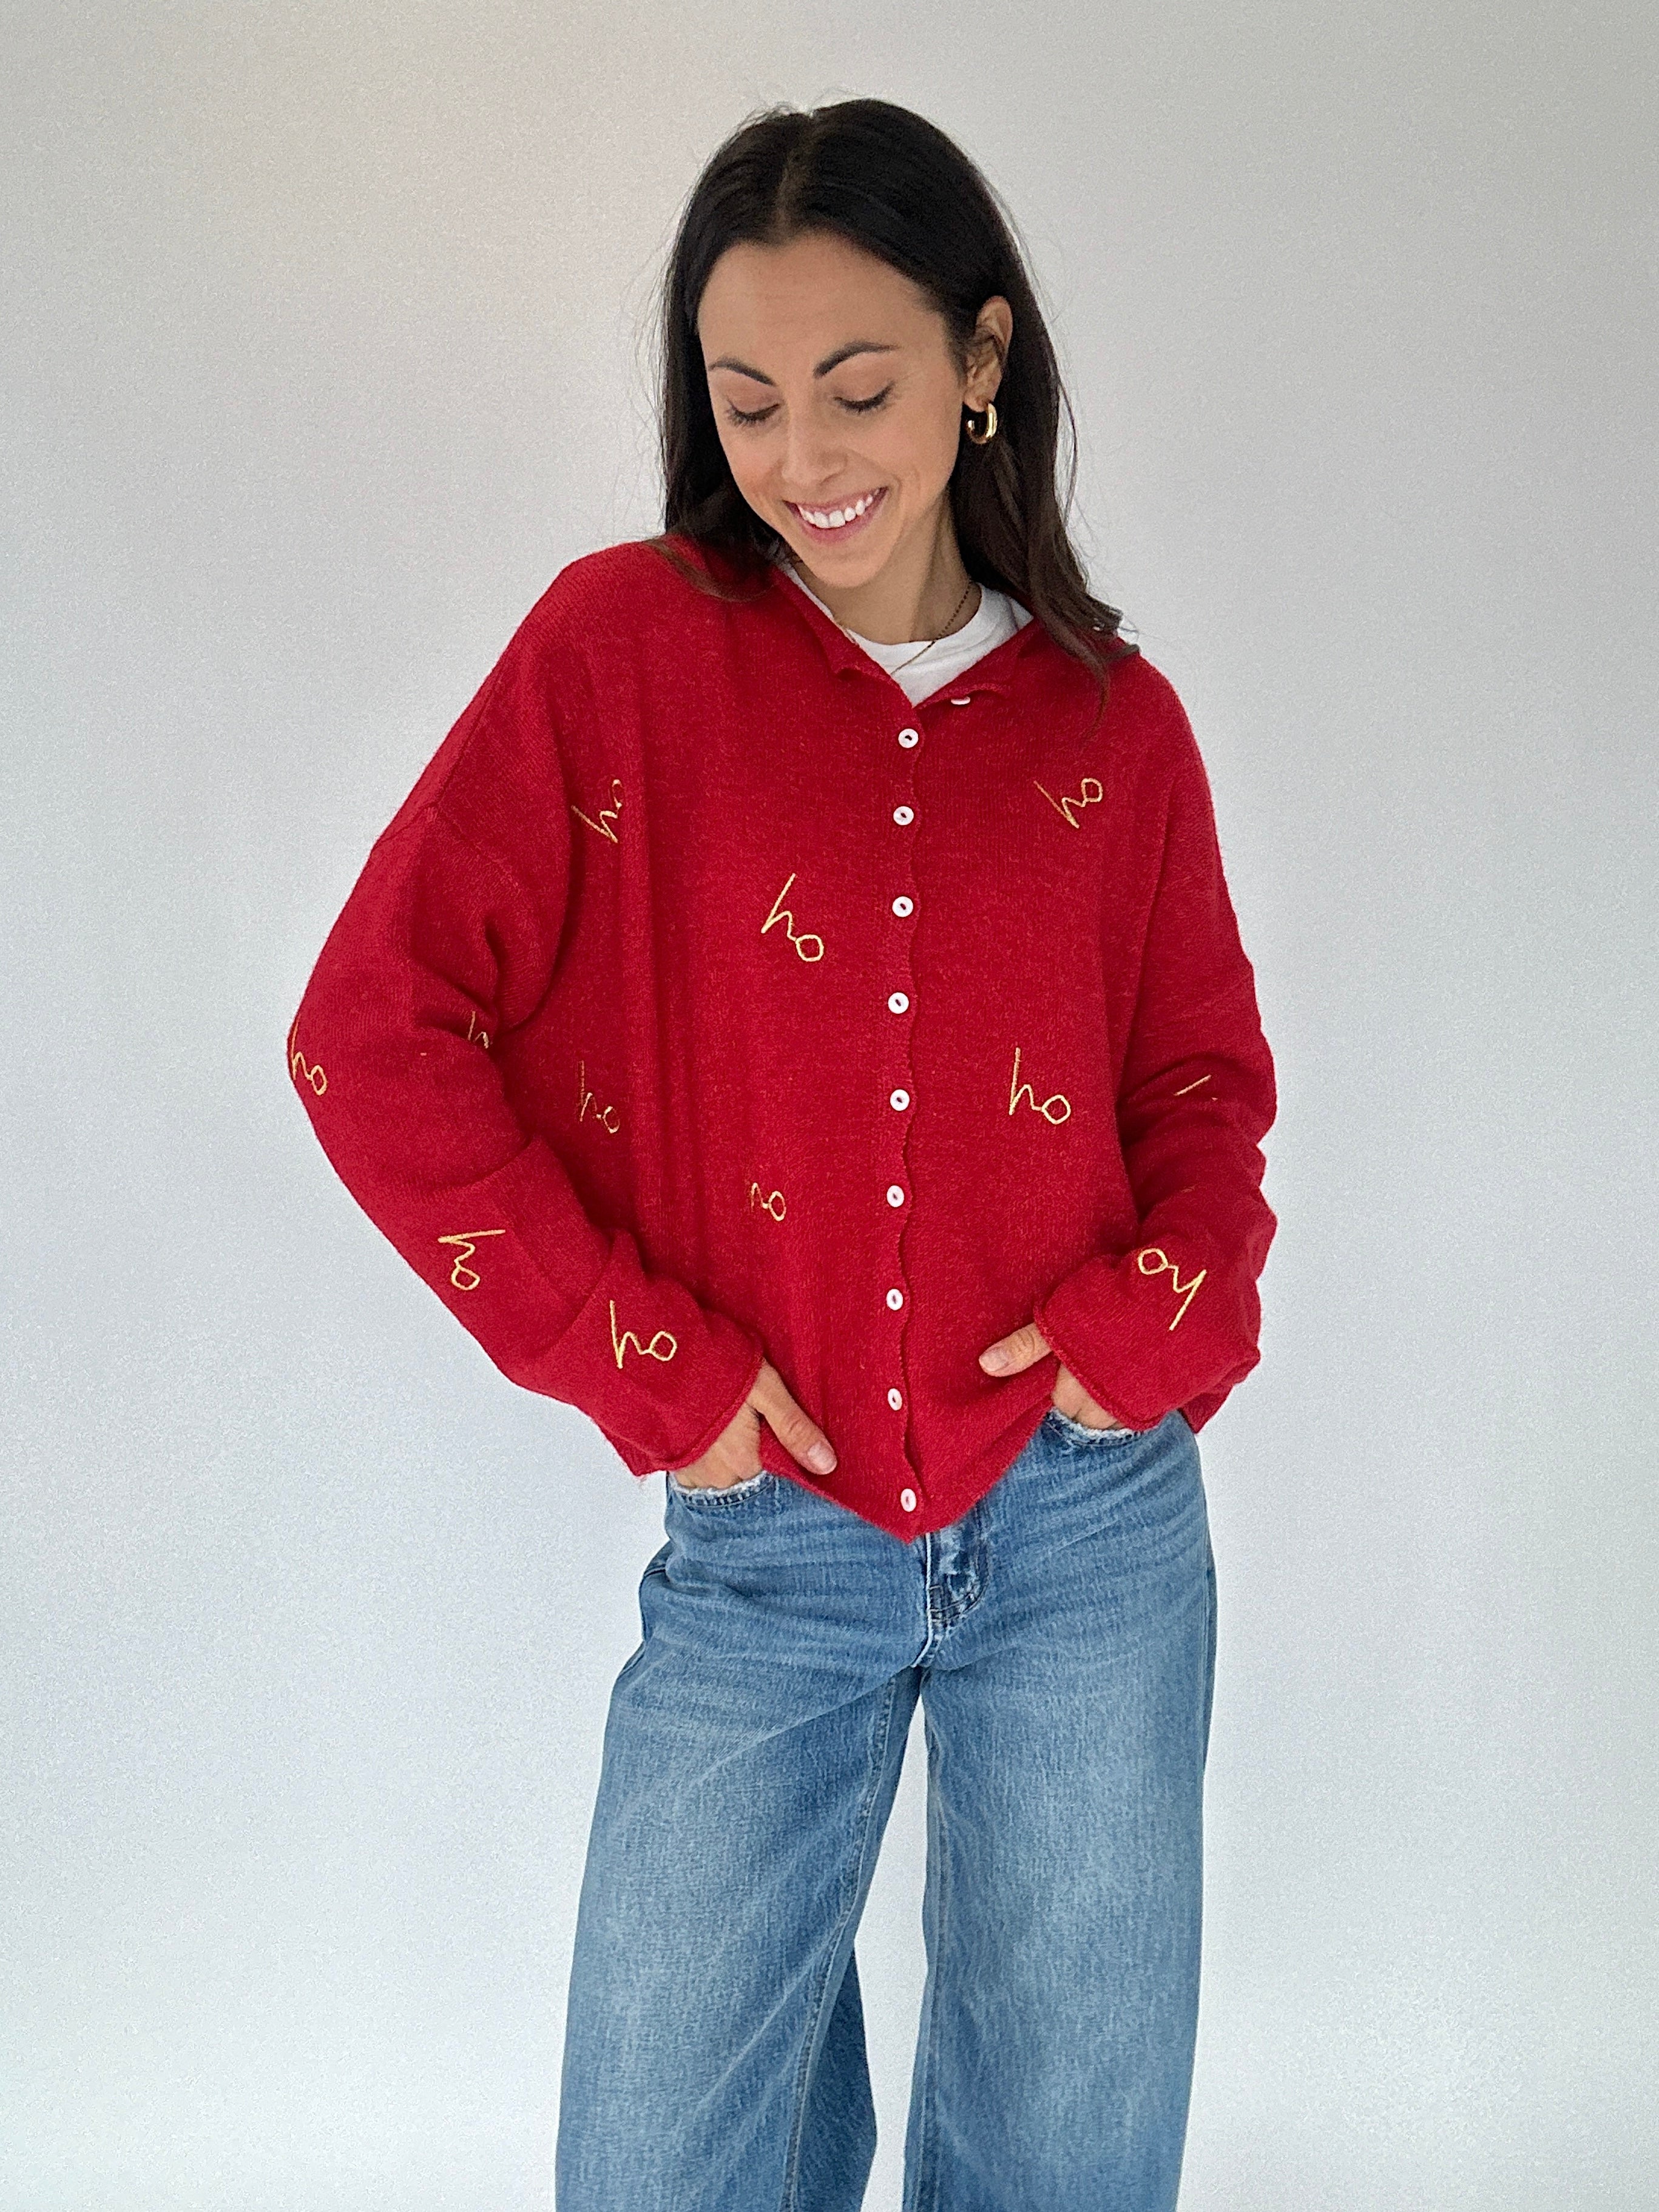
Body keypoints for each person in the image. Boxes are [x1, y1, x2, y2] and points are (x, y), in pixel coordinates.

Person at [286, 94, 1277, 2212]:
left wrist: (1145, 1325)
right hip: (771, 1547)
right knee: (657, 2163)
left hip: (1093, 1536)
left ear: (982, 361)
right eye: (748, 403)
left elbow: (1204, 1100)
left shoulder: (1119, 728)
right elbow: (372, 1037)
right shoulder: (621, 657)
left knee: (1069, 2167)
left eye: (860, 388)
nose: (806, 459)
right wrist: (635, 1357)